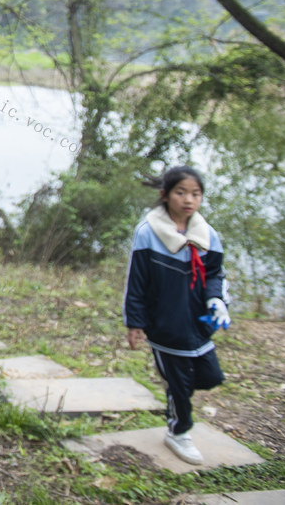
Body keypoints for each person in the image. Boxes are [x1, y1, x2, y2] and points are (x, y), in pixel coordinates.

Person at [123, 165, 229, 465]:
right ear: (165, 195)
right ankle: (178, 431)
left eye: (195, 194)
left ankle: (175, 389)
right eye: (180, 192)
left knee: (210, 377)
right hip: (165, 324)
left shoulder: (207, 235)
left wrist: (216, 300)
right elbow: (137, 282)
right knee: (181, 384)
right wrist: (135, 323)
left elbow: (215, 274)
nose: (188, 200)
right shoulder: (149, 233)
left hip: (197, 323)